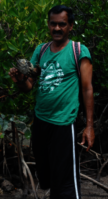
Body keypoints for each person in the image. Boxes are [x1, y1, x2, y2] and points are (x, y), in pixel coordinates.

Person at [8, 5, 95, 199]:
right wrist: (20, 80)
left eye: (62, 24)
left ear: (70, 26)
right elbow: (29, 85)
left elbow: (87, 89)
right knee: (46, 176)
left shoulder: (78, 51)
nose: (57, 28)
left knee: (65, 182)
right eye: (53, 24)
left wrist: (89, 126)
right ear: (48, 25)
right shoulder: (41, 50)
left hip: (64, 124)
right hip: (41, 122)